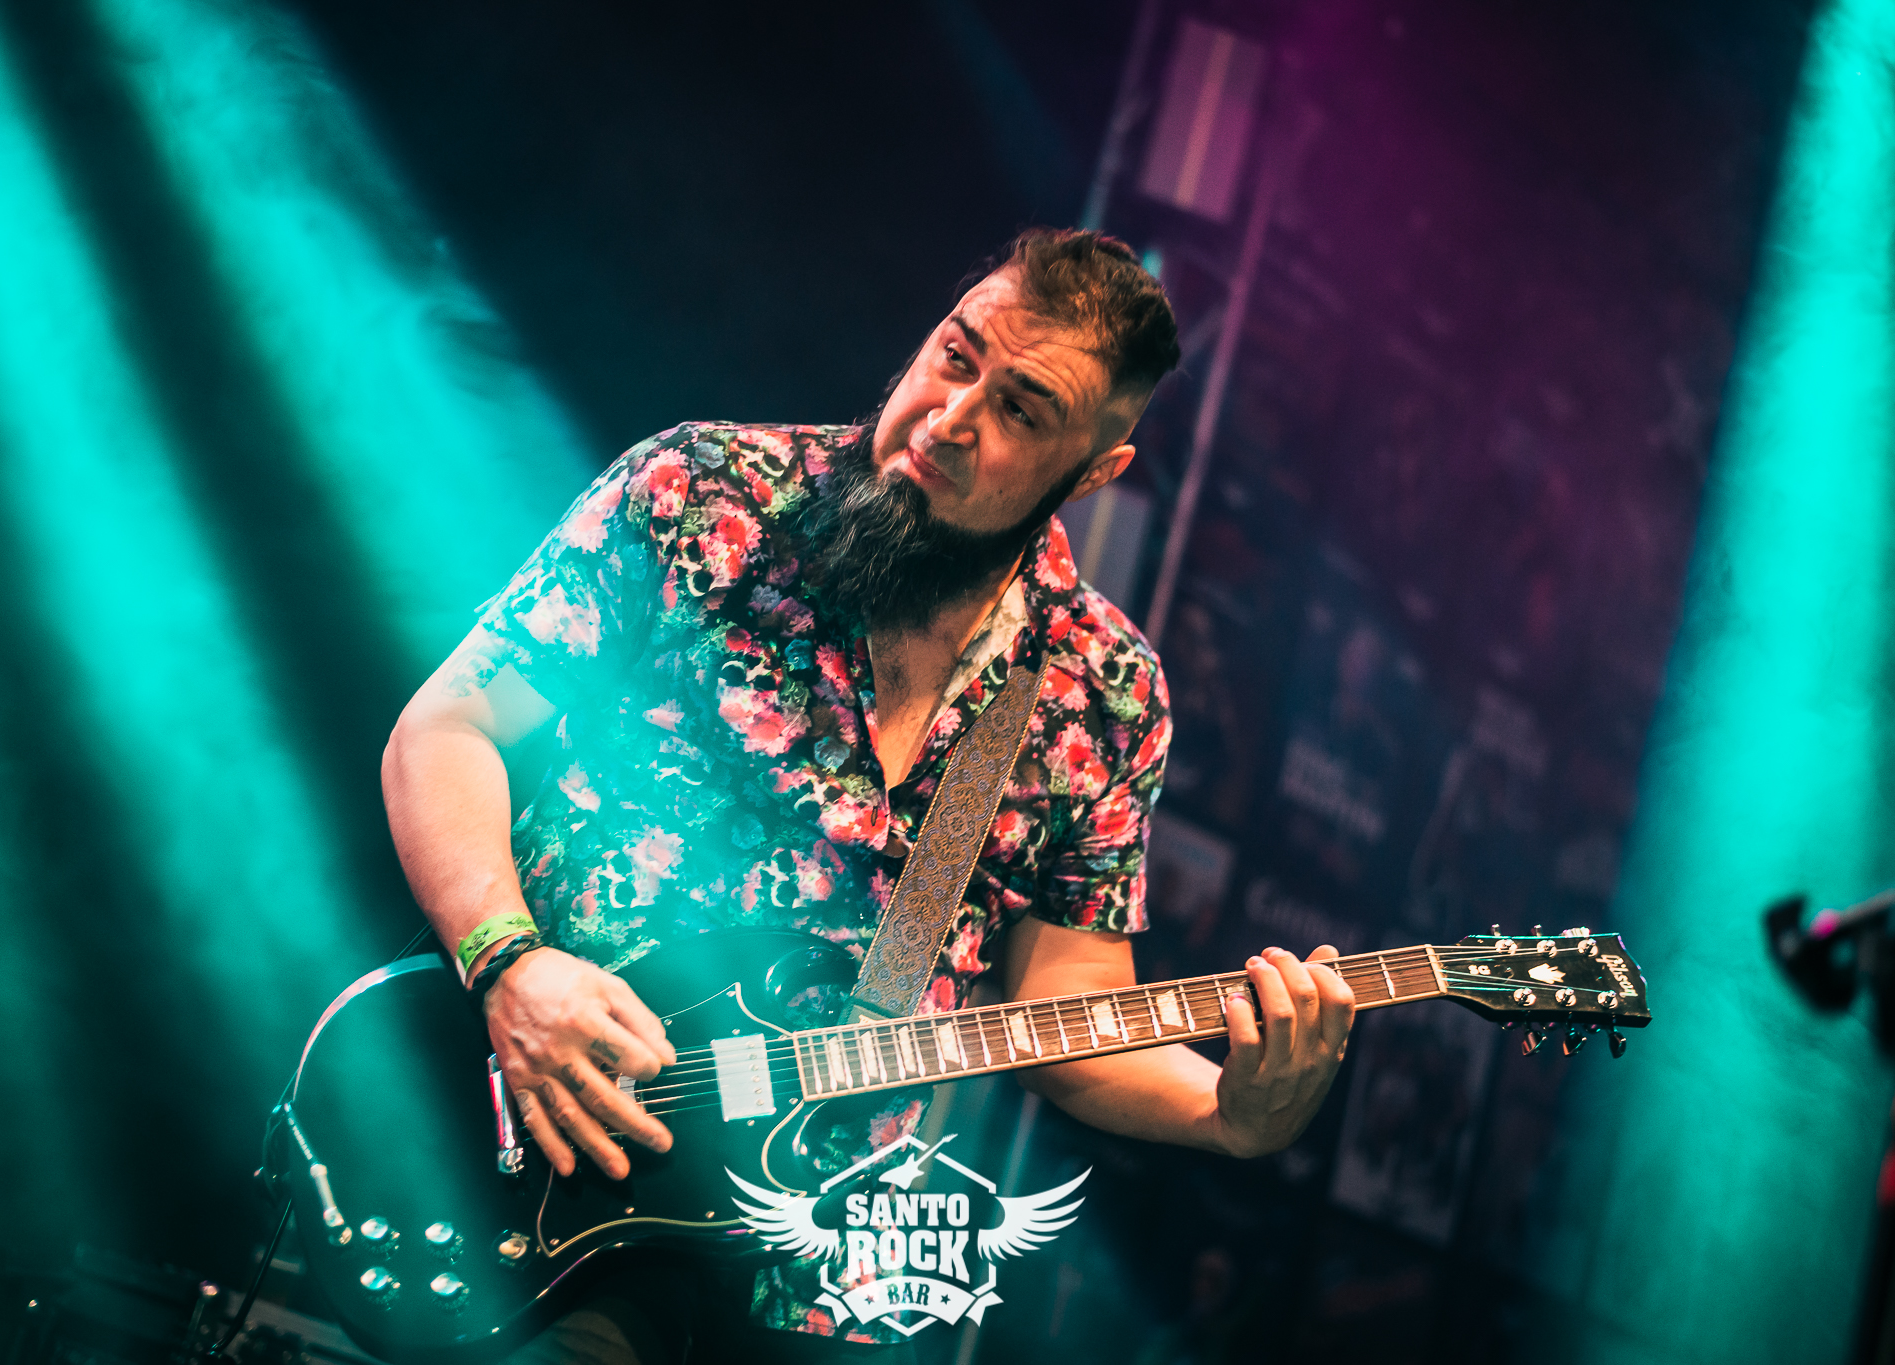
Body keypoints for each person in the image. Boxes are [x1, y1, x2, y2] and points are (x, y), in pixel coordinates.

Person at [380, 228, 1357, 1364]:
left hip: (819, 1267)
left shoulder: (1101, 689)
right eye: (956, 357)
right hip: (549, 1140)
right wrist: (506, 960)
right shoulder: (704, 493)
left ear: (1093, 472)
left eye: (1020, 410)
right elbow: (446, 729)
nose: (950, 418)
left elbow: (1069, 1014)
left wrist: (1230, 1118)